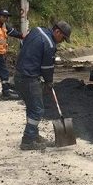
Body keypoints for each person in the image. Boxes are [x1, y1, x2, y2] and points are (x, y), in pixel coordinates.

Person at [15, 21, 71, 150]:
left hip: (19, 76)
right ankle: (28, 141)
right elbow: (47, 67)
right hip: (29, 78)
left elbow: (22, 44)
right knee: (37, 109)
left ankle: (33, 135)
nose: (62, 41)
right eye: (63, 38)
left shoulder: (37, 30)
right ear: (57, 32)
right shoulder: (49, 44)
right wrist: (49, 81)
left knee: (31, 107)